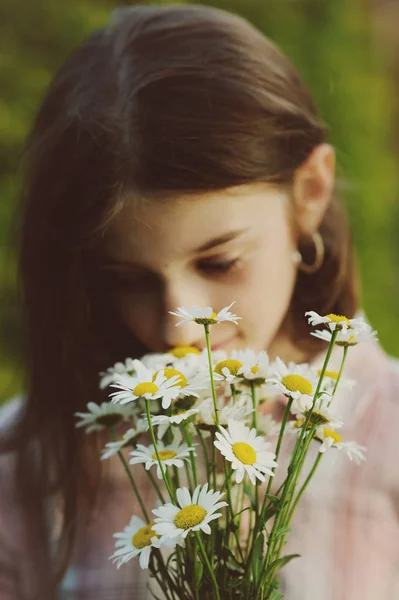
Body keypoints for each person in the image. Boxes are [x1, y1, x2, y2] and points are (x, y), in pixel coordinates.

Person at [0, 4, 398, 599]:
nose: (178, 324)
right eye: (126, 278)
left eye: (219, 261)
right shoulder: (27, 463)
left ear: (309, 193)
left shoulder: (387, 434)